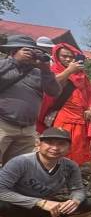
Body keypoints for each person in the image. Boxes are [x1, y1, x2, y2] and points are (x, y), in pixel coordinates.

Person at [0, 128, 91, 217]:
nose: (55, 147)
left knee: (89, 205)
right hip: (13, 208)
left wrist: (75, 200)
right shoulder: (20, 162)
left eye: (61, 144)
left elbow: (78, 189)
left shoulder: (70, 166)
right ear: (38, 144)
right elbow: (1, 190)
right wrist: (40, 202)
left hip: (43, 210)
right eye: (49, 142)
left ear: (69, 148)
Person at [0, 35, 62, 165]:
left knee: (16, 168)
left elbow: (54, 91)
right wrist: (15, 61)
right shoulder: (4, 65)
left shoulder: (37, 72)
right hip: (3, 124)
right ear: (13, 51)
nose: (31, 54)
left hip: (27, 129)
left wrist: (45, 70)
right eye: (26, 50)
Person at [37, 43, 91, 165]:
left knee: (77, 147)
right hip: (62, 117)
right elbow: (50, 85)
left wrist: (90, 108)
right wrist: (69, 71)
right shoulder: (53, 71)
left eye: (71, 56)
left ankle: (73, 172)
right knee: (59, 145)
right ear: (57, 56)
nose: (68, 59)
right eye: (64, 56)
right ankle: (55, 172)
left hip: (80, 118)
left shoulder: (81, 75)